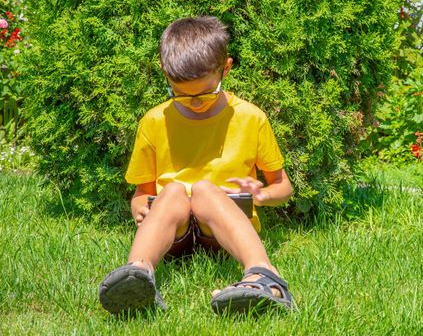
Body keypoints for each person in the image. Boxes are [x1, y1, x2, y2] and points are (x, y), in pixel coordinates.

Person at [98, 16, 294, 315]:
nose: (195, 103)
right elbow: (142, 192)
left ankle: (264, 275)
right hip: (172, 237)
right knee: (174, 192)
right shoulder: (154, 121)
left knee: (204, 191)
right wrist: (139, 207)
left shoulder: (250, 118)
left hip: (223, 234)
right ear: (164, 73)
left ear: (226, 68)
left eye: (205, 93)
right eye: (181, 94)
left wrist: (264, 195)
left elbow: (284, 186)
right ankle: (138, 274)